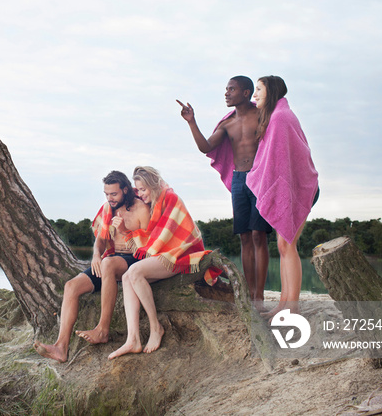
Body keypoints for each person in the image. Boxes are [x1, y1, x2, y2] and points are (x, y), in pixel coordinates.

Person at [34, 170, 150, 362]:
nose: (109, 198)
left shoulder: (141, 209)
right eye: (106, 194)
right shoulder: (107, 209)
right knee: (71, 286)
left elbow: (148, 248)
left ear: (126, 190)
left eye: (114, 194)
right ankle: (60, 347)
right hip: (110, 260)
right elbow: (101, 240)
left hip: (134, 259)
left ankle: (102, 330)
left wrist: (124, 231)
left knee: (108, 263)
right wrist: (96, 254)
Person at [178, 76, 272, 306]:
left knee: (259, 235)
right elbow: (206, 147)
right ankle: (249, 293)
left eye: (232, 89)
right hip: (239, 180)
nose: (227, 93)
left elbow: (277, 140)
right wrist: (192, 122)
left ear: (246, 92)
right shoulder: (227, 123)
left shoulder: (262, 115)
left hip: (259, 178)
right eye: (226, 89)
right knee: (245, 237)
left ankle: (259, 294)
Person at [108, 166, 220, 359]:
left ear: (153, 185)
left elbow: (166, 237)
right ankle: (133, 339)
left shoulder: (171, 199)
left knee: (134, 272)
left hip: (181, 254)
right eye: (138, 190)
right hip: (165, 254)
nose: (140, 194)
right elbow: (152, 236)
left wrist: (144, 246)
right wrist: (126, 229)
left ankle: (155, 327)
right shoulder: (154, 203)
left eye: (143, 189)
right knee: (127, 278)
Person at [250, 75, 319, 317]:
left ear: (272, 91)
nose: (254, 94)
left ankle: (293, 307)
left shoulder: (280, 118)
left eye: (258, 89)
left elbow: (283, 164)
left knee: (288, 245)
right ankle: (283, 303)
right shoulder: (276, 117)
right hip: (289, 187)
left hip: (299, 187)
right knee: (283, 245)